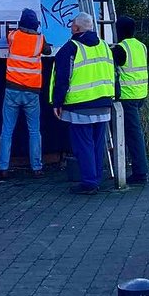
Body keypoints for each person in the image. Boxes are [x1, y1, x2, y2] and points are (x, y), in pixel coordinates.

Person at [49, 12, 116, 195]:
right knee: (96, 144)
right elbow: (112, 72)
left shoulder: (70, 48)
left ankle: (89, 182)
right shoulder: (104, 46)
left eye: (72, 25)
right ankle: (95, 179)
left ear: (76, 28)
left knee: (83, 146)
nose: (70, 27)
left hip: (81, 105)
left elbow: (62, 78)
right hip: (103, 102)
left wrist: (57, 102)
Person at [0, 8, 51, 181]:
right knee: (34, 131)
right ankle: (36, 168)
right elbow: (48, 51)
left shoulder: (13, 36)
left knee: (7, 130)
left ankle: (3, 168)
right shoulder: (40, 40)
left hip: (12, 89)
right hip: (32, 92)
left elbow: (10, 35)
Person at [112, 16, 149, 185]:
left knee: (134, 136)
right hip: (141, 94)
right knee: (133, 134)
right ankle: (137, 168)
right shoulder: (141, 46)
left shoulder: (120, 49)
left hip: (127, 97)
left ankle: (140, 173)